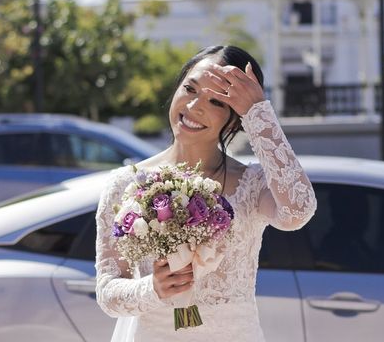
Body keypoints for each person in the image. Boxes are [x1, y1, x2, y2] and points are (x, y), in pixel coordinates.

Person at [95, 45, 317, 341]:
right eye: (190, 88)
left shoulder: (251, 184)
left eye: (216, 101)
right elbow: (108, 291)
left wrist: (259, 113)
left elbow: (298, 210)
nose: (195, 106)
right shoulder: (125, 183)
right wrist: (152, 288)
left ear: (235, 119)